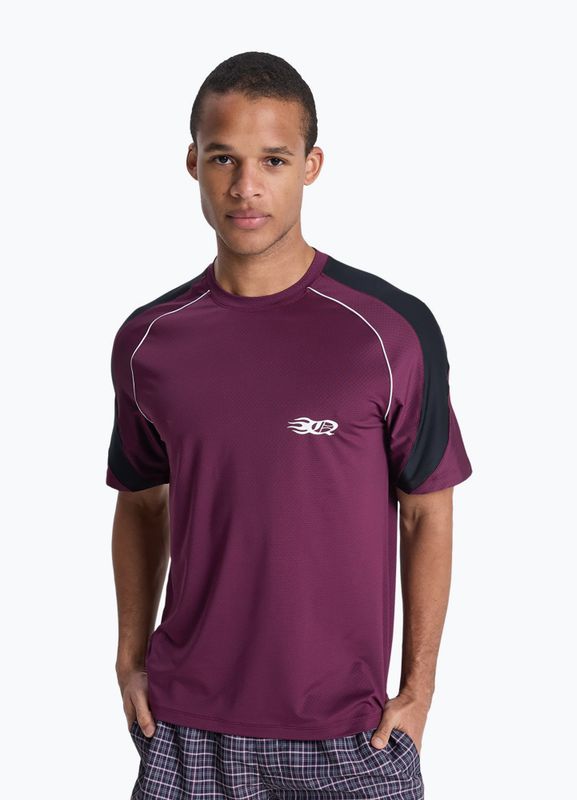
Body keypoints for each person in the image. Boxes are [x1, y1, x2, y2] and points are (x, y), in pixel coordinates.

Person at [107, 51, 473, 800]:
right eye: (224, 159)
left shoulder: (391, 331)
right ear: (193, 163)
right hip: (187, 732)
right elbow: (141, 502)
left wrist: (419, 689)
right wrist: (129, 656)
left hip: (352, 735)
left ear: (311, 165)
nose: (246, 187)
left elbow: (427, 511)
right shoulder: (150, 340)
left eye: (272, 160)